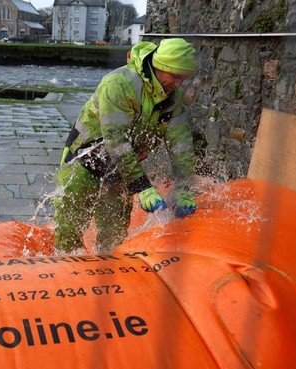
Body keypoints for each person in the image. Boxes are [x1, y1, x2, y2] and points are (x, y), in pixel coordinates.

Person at [53, 38, 199, 253]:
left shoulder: (172, 98)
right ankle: (64, 268)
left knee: (115, 233)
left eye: (183, 79)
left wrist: (183, 187)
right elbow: (115, 139)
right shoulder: (119, 83)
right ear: (161, 67)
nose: (178, 84)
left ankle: (107, 272)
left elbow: (181, 143)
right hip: (85, 160)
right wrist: (142, 187)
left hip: (122, 170)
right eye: (175, 77)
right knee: (70, 227)